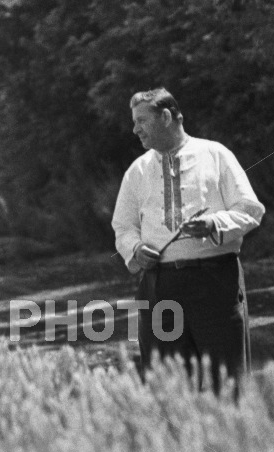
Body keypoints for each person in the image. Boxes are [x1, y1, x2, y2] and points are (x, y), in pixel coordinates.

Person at [111, 88, 265, 391]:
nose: (135, 129)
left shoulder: (216, 155)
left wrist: (214, 223)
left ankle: (231, 436)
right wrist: (136, 249)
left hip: (216, 282)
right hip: (159, 287)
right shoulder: (137, 170)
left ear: (166, 116)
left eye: (141, 120)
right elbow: (123, 227)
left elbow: (250, 210)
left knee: (228, 380)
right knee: (168, 384)